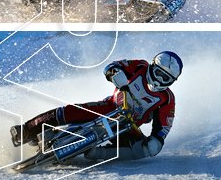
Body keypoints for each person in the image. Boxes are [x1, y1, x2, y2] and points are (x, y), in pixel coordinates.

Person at [10, 51, 182, 161]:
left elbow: (164, 126)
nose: (159, 80)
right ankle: (26, 130)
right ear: (153, 67)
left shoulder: (167, 99)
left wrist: (157, 139)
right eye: (159, 74)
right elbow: (112, 66)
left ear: (172, 82)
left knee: (147, 150)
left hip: (128, 126)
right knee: (72, 111)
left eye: (166, 79)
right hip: (111, 106)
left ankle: (100, 154)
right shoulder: (140, 67)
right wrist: (115, 74)